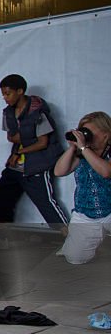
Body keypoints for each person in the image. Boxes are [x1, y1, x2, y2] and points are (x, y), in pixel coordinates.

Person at [0, 74, 68, 228]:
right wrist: (29, 137)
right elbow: (11, 137)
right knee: (1, 197)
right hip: (16, 166)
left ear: (20, 91)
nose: (5, 98)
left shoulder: (38, 112)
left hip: (37, 165)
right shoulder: (8, 112)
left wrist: (21, 148)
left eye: (8, 93)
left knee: (46, 205)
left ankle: (71, 239)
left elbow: (43, 143)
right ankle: (4, 239)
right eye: (3, 94)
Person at [53, 112, 111, 265]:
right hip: (86, 214)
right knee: (75, 258)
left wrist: (84, 148)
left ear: (106, 135)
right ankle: (75, 244)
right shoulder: (82, 153)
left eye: (89, 132)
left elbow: (106, 172)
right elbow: (59, 171)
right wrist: (73, 148)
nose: (86, 136)